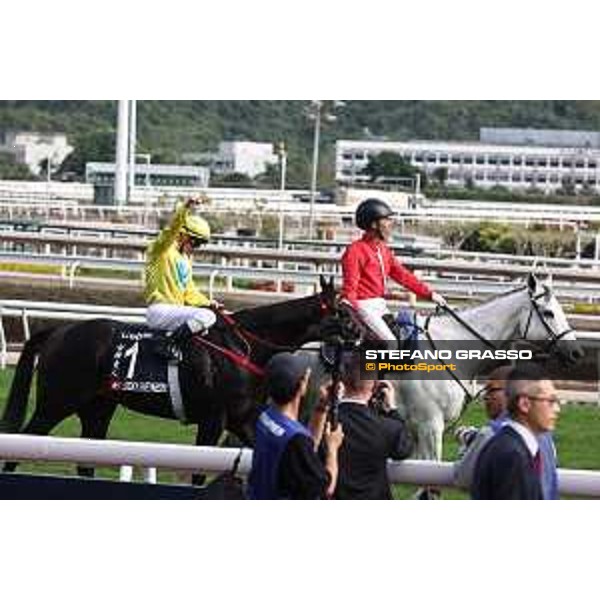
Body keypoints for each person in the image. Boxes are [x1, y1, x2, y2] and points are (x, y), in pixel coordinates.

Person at [341, 198, 447, 341]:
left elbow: (403, 276)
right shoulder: (355, 251)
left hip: (379, 305)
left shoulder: (383, 250)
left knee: (405, 335)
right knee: (392, 344)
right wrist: (354, 317)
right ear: (373, 224)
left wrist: (430, 294)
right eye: (386, 220)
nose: (391, 225)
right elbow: (350, 290)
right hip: (363, 307)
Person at [247, 352, 344, 500]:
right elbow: (325, 489)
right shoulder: (295, 439)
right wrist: (332, 448)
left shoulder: (265, 417)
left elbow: (305, 452)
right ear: (302, 385)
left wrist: (321, 408)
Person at [454, 365, 558, 499]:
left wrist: (465, 449)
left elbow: (462, 478)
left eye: (491, 390)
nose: (486, 397)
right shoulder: (546, 438)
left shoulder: (491, 434)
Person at [332, 351, 414, 499]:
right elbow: (404, 448)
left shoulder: (322, 423)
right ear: (375, 386)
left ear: (342, 381)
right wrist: (392, 410)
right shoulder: (389, 428)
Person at [144, 196, 218, 359]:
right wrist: (186, 207)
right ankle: (165, 343)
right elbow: (171, 230)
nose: (196, 247)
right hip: (160, 310)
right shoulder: (161, 249)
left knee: (208, 319)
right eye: (195, 242)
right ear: (183, 235)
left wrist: (209, 303)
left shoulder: (184, 260)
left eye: (200, 244)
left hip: (176, 311)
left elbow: (190, 293)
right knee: (207, 317)